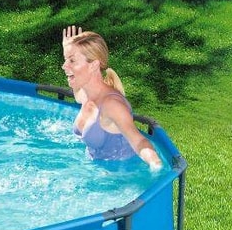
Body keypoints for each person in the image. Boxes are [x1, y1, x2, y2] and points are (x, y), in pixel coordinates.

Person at [61, 26, 163, 170]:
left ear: (94, 65)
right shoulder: (85, 93)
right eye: (66, 60)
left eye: (72, 61)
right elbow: (77, 91)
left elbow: (139, 141)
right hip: (95, 170)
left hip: (120, 175)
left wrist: (155, 164)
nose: (63, 66)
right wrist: (68, 50)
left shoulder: (112, 105)